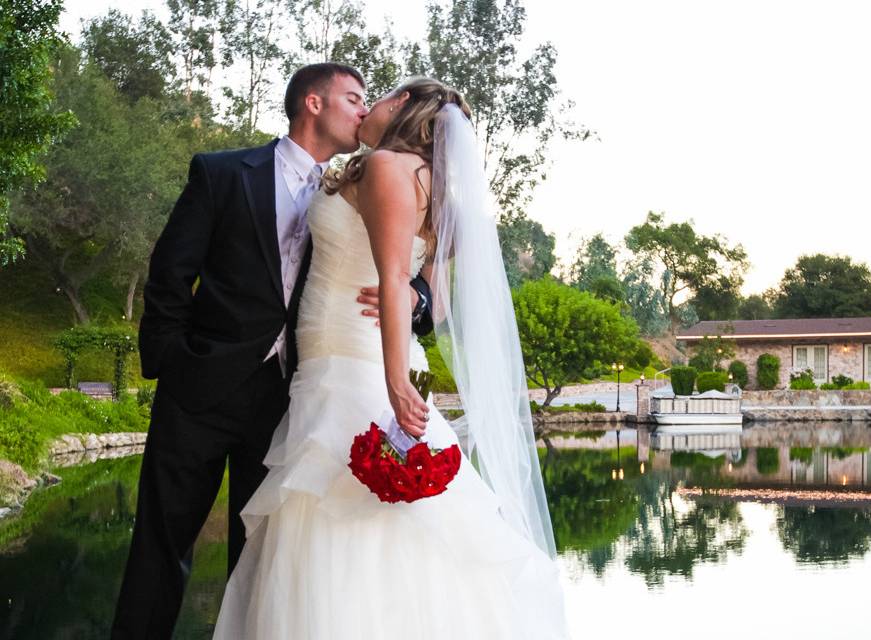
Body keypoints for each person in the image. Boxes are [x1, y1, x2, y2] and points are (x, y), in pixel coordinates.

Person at [213, 77, 569, 639]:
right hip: (347, 359)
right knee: (382, 525)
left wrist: (396, 378)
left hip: (352, 363)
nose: (367, 107)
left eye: (375, 96)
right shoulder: (419, 180)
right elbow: (436, 297)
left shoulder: (387, 167)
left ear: (400, 105)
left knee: (336, 521)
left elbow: (393, 278)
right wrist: (413, 297)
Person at [111, 63, 435, 639]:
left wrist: (419, 294)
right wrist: (174, 363)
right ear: (313, 103)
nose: (365, 110)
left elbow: (411, 260)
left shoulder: (355, 187)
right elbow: (169, 272)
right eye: (354, 98)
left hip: (287, 401)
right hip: (199, 392)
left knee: (261, 558)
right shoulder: (222, 173)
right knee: (162, 546)